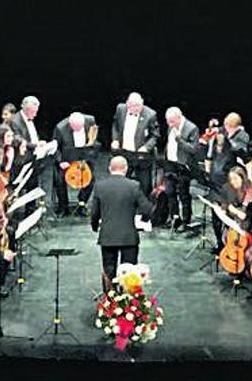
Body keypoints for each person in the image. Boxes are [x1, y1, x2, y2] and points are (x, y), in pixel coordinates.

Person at [90, 156, 155, 291]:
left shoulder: (100, 186)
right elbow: (147, 209)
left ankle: (110, 302)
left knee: (109, 271)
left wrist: (95, 226)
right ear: (126, 169)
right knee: (129, 273)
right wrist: (143, 220)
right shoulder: (134, 186)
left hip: (108, 236)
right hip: (129, 236)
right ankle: (128, 304)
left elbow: (94, 212)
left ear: (110, 169)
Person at [110, 92, 160, 196]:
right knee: (121, 183)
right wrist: (115, 139)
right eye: (133, 106)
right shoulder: (120, 109)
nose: (137, 108)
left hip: (141, 156)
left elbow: (155, 135)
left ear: (142, 103)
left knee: (144, 185)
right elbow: (115, 125)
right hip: (124, 153)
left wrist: (147, 147)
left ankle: (144, 210)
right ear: (127, 104)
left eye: (139, 105)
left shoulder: (150, 114)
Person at [10, 95, 55, 212]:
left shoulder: (28, 119)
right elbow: (17, 139)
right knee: (18, 186)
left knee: (32, 184)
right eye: (33, 112)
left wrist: (38, 143)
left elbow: (31, 136)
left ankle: (30, 210)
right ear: (26, 109)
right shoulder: (15, 121)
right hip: (20, 160)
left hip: (32, 157)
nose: (35, 114)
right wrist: (35, 145)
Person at [162, 107, 200, 230]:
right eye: (168, 121)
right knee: (169, 192)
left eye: (172, 121)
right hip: (170, 164)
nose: (169, 124)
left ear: (179, 118)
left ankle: (186, 220)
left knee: (184, 194)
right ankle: (175, 217)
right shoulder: (171, 125)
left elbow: (193, 149)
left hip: (183, 166)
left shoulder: (192, 128)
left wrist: (179, 139)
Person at [54, 111, 98, 217]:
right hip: (67, 159)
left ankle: (82, 204)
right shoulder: (60, 128)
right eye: (75, 128)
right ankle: (63, 207)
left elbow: (93, 139)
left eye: (80, 127)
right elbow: (55, 148)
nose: (78, 130)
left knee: (91, 179)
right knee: (59, 179)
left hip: (84, 157)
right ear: (70, 124)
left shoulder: (90, 121)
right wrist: (61, 161)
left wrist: (89, 154)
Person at [215, 166, 252, 252]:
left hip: (245, 222)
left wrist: (243, 213)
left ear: (242, 178)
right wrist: (225, 209)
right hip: (231, 220)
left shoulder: (249, 189)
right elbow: (224, 202)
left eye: (235, 179)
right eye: (231, 179)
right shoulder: (226, 187)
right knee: (225, 238)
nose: (233, 182)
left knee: (243, 243)